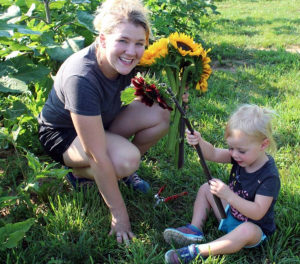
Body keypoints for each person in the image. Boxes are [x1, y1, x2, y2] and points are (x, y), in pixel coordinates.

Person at [37, 0, 188, 244]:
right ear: (103, 39)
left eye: (140, 43)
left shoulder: (125, 60)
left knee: (161, 113)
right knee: (125, 159)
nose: (131, 51)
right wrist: (120, 216)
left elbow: (133, 93)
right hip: (64, 135)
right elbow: (95, 153)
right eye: (123, 41)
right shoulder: (82, 77)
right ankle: (82, 173)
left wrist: (174, 94)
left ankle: (114, 171)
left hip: (102, 119)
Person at [163, 104, 281, 264]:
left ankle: (198, 251)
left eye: (241, 150)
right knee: (206, 188)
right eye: (231, 148)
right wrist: (199, 141)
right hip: (230, 214)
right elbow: (212, 153)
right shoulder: (241, 156)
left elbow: (257, 212)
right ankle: (195, 229)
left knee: (247, 230)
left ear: (263, 144)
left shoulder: (269, 176)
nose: (234, 154)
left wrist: (229, 196)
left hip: (252, 230)